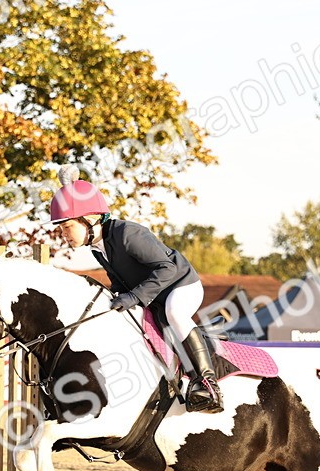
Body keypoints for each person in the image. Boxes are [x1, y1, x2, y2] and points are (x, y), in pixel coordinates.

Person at [49, 165, 222, 413]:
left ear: (89, 219)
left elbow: (166, 269)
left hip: (181, 284)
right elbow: (120, 282)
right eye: (62, 229)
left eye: (67, 227)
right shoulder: (98, 248)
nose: (64, 235)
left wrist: (134, 297)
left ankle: (207, 382)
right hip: (154, 294)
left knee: (174, 312)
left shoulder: (128, 233)